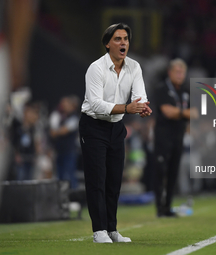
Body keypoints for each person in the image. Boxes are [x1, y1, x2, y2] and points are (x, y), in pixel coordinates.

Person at [79, 23, 152, 243]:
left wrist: (143, 106)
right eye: (118, 39)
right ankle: (98, 230)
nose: (123, 43)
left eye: (126, 39)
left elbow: (139, 96)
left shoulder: (134, 67)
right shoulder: (96, 68)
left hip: (117, 127)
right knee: (97, 179)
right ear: (108, 43)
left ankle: (112, 229)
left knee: (113, 181)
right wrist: (128, 108)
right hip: (93, 126)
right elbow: (96, 104)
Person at [153, 58, 198, 217]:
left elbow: (195, 113)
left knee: (173, 172)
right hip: (163, 137)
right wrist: (183, 113)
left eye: (182, 72)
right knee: (160, 171)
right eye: (177, 72)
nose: (180, 75)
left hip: (178, 137)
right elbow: (167, 112)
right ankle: (159, 207)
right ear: (170, 72)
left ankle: (168, 206)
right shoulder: (162, 89)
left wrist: (177, 112)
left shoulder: (185, 91)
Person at [49, 95, 80, 189]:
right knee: (60, 175)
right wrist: (58, 132)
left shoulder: (74, 117)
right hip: (59, 150)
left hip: (69, 151)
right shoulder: (58, 115)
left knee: (70, 174)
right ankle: (61, 198)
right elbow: (52, 133)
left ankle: (73, 196)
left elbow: (64, 131)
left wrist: (57, 131)